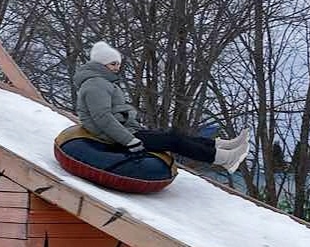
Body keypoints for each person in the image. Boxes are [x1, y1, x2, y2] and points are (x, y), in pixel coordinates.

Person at [74, 41, 249, 172]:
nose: (117, 68)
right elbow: (103, 118)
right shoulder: (95, 85)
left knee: (174, 135)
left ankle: (224, 145)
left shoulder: (104, 83)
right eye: (113, 64)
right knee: (173, 141)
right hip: (116, 138)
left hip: (127, 130)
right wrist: (129, 140)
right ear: (100, 64)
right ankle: (225, 159)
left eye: (118, 64)